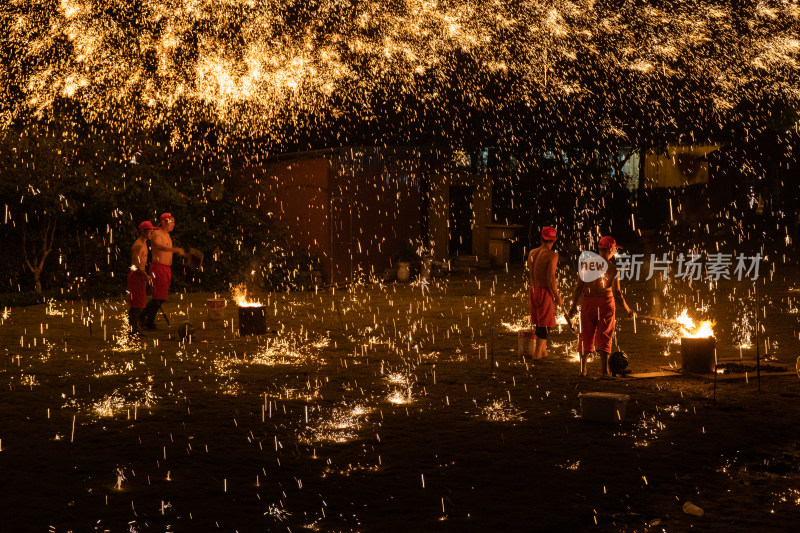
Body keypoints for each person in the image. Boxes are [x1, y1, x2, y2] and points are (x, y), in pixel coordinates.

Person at [568, 236, 633, 376]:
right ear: (610, 249)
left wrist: (573, 306)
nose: (615, 251)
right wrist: (628, 310)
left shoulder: (586, 264)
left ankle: (583, 370)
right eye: (615, 249)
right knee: (604, 334)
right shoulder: (613, 269)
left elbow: (578, 287)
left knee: (585, 334)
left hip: (588, 303)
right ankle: (604, 371)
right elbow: (617, 293)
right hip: (605, 303)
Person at [142, 213, 185, 329]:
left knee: (161, 297)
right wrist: (175, 249)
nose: (173, 225)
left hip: (166, 268)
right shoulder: (157, 233)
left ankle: (145, 317)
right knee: (158, 297)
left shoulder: (167, 235)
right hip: (158, 267)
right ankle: (146, 319)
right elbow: (159, 246)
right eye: (172, 222)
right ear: (164, 222)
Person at [526, 226, 563, 359]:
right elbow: (550, 278)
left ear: (541, 238)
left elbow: (531, 272)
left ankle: (544, 351)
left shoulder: (532, 252)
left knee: (539, 321)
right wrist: (557, 295)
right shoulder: (552, 255)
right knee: (545, 323)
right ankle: (537, 354)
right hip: (543, 291)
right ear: (555, 239)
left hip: (533, 289)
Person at [127, 221, 155, 334]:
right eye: (149, 231)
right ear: (143, 231)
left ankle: (134, 329)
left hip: (140, 275)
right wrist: (145, 275)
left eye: (152, 231)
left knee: (139, 304)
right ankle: (132, 330)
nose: (151, 233)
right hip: (136, 276)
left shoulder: (144, 244)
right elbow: (134, 265)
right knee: (136, 305)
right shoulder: (138, 245)